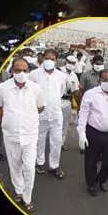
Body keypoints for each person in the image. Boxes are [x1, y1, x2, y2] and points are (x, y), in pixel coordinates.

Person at [0, 57, 46, 212]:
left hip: (30, 134)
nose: (21, 73)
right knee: (15, 165)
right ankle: (18, 191)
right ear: (12, 71)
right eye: (18, 70)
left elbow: (40, 107)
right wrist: (9, 121)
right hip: (11, 135)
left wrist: (28, 116)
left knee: (29, 167)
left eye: (25, 70)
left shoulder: (36, 88)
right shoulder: (3, 87)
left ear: (29, 71)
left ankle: (27, 198)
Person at [77, 68, 108, 197]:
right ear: (99, 80)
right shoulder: (90, 94)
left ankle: (102, 180)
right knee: (91, 161)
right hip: (94, 133)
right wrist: (81, 133)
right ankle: (91, 183)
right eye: (105, 80)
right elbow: (83, 114)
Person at [28, 49, 70, 179]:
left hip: (56, 114)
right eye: (47, 58)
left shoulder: (61, 76)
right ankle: (40, 162)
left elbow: (61, 91)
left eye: (52, 59)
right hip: (40, 114)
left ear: (56, 61)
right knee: (39, 140)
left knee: (56, 141)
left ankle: (54, 166)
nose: (49, 61)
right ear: (42, 58)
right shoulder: (34, 75)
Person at [60, 53, 81, 152]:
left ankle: (61, 143)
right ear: (65, 61)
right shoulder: (58, 71)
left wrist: (77, 106)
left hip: (67, 102)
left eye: (73, 63)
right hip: (56, 101)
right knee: (53, 124)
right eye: (69, 62)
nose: (71, 64)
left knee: (64, 124)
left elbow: (76, 91)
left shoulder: (74, 76)